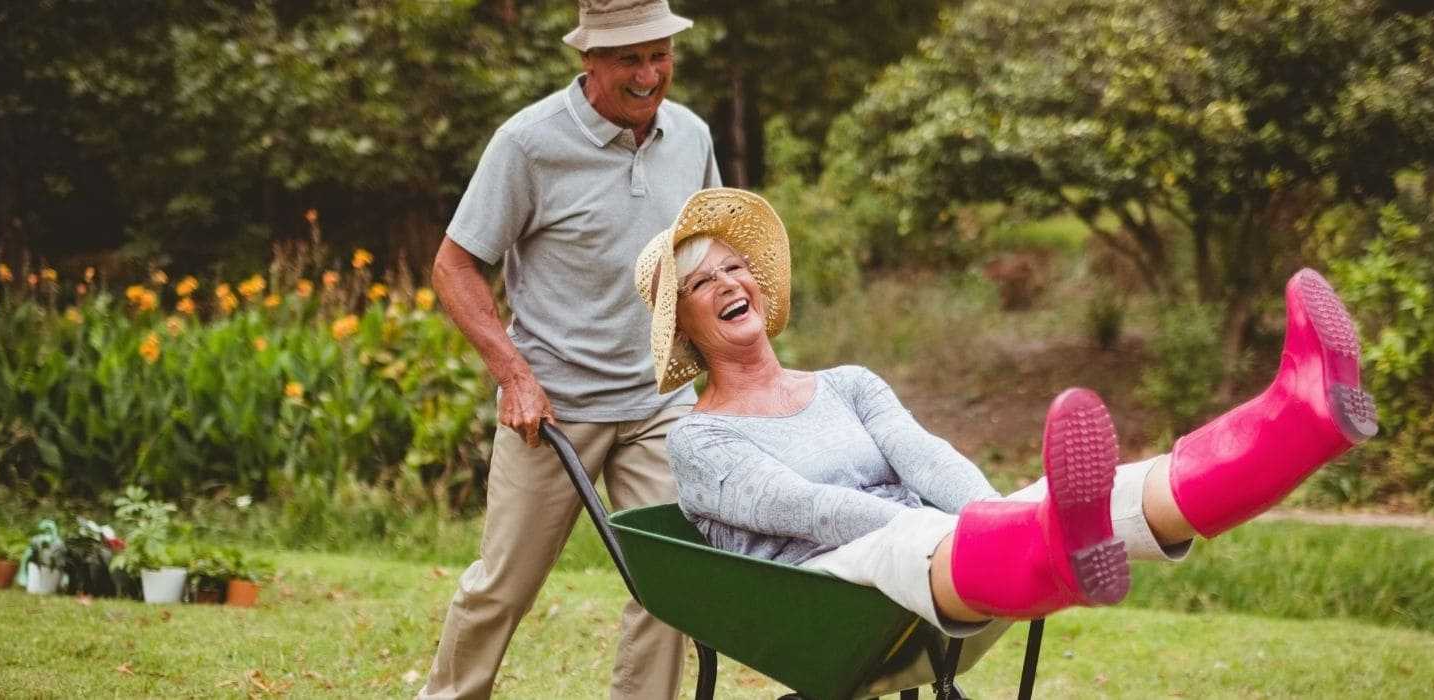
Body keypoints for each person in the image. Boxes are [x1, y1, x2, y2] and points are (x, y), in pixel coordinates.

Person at [633, 188, 1379, 634]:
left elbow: (926, 456)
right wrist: (965, 531)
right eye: (704, 283)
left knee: (1111, 490)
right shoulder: (701, 438)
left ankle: (1298, 420)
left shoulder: (848, 383)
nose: (732, 282)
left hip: (942, 554)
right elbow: (811, 510)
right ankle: (1034, 546)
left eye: (737, 267)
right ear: (687, 326)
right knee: (956, 536)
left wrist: (995, 512)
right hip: (827, 590)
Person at [418, 2, 718, 698]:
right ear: (587, 60)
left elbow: (702, 255)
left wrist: (723, 366)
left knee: (671, 584)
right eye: (628, 60)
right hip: (553, 409)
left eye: (658, 55)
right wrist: (513, 375)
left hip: (658, 402)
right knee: (503, 588)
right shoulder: (528, 144)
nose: (648, 75)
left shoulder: (692, 136)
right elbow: (454, 266)